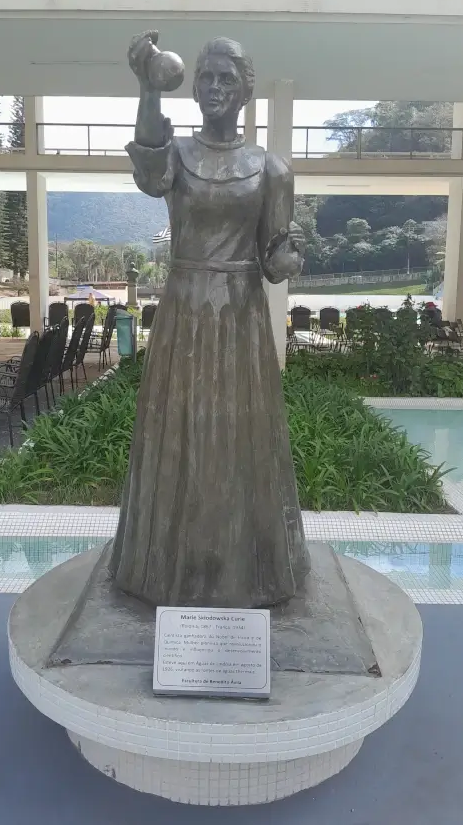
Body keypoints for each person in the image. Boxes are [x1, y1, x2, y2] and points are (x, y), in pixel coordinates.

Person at [109, 31, 310, 608]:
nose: (215, 87)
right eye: (206, 77)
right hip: (185, 310)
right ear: (193, 88)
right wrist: (149, 89)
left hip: (242, 317)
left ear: (247, 90)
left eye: (227, 78)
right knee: (181, 433)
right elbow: (148, 169)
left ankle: (245, 570)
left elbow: (276, 262)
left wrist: (291, 255)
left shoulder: (272, 170)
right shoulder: (178, 156)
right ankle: (167, 568)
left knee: (242, 435)